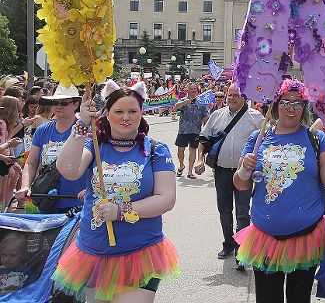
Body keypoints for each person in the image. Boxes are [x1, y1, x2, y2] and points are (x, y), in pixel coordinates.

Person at [52, 83, 180, 302]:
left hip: (141, 250)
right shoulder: (95, 146)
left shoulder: (156, 149)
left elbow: (166, 199)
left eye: (132, 111)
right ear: (107, 115)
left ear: (142, 113)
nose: (125, 117)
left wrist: (121, 211)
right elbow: (68, 170)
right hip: (94, 252)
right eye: (118, 111)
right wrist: (82, 124)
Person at [233, 79, 325, 303]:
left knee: (299, 298)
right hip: (264, 236)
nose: (291, 109)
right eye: (286, 102)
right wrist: (245, 169)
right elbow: (240, 183)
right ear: (275, 105)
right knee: (267, 299)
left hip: (306, 236)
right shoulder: (259, 138)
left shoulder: (316, 138)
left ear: (305, 108)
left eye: (298, 103)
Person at [194, 84, 265, 265]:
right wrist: (199, 160)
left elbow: (265, 142)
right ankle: (228, 243)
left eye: (236, 95)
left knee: (242, 212)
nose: (232, 98)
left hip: (244, 174)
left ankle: (242, 250)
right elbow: (204, 139)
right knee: (224, 211)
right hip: (222, 171)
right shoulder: (216, 115)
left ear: (244, 97)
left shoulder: (256, 118)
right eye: (229, 95)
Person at [15, 85, 88, 214]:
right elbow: (31, 163)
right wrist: (25, 186)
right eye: (55, 102)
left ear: (76, 104)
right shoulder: (43, 130)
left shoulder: (85, 131)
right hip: (45, 200)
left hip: (77, 203)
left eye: (64, 103)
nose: (58, 106)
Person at [173, 83, 208, 178]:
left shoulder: (201, 102)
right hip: (184, 130)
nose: (193, 90)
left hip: (196, 130)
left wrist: (206, 129)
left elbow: (205, 116)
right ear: (187, 91)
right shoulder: (183, 100)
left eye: (194, 89)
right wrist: (187, 101)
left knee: (193, 150)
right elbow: (175, 107)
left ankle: (190, 172)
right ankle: (181, 165)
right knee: (181, 150)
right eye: (191, 89)